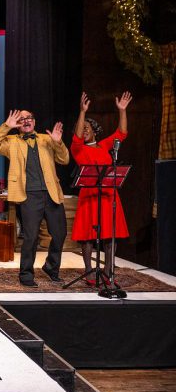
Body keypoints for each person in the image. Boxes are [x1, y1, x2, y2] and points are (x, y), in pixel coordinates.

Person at [0, 109, 69, 287]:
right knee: (31, 237)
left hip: (51, 193)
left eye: (29, 118)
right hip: (29, 196)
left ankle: (51, 267)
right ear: (18, 123)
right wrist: (5, 127)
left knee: (60, 233)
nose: (26, 121)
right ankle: (26, 274)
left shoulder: (47, 139)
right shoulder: (11, 141)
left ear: (34, 121)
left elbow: (64, 159)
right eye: (22, 119)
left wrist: (58, 142)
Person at [71, 92, 131, 285]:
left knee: (110, 235)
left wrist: (122, 110)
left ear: (95, 130)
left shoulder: (105, 146)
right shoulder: (78, 148)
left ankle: (108, 270)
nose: (84, 131)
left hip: (108, 196)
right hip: (89, 195)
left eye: (87, 128)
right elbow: (78, 137)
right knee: (88, 236)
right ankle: (89, 270)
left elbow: (122, 133)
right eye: (82, 128)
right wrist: (82, 112)